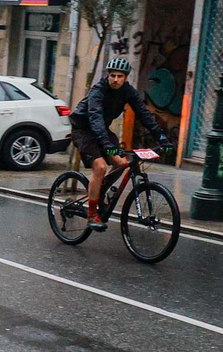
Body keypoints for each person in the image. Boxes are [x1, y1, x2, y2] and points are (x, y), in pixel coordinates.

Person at [67, 58, 169, 229]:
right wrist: (106, 144)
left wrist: (162, 138)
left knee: (122, 164)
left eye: (119, 76)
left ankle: (100, 191)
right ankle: (92, 214)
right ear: (108, 76)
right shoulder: (98, 91)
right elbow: (95, 117)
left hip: (102, 131)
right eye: (112, 75)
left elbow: (144, 113)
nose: (115, 79)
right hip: (83, 129)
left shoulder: (127, 91)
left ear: (125, 78)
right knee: (99, 167)